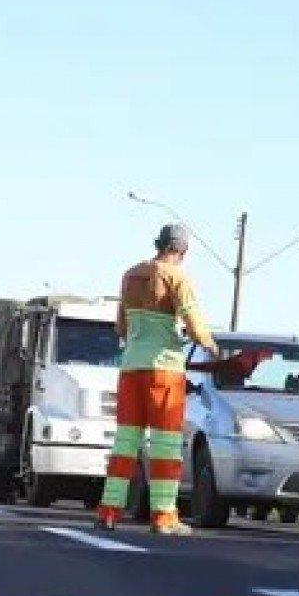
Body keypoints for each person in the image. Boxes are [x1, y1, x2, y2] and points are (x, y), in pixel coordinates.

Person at [98, 223, 219, 535]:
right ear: (181, 250)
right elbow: (194, 325)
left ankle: (109, 511)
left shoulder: (130, 275)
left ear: (159, 243)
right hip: (164, 371)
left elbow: (121, 328)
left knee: (125, 444)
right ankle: (164, 517)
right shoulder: (178, 277)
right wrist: (210, 345)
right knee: (165, 446)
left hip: (130, 370)